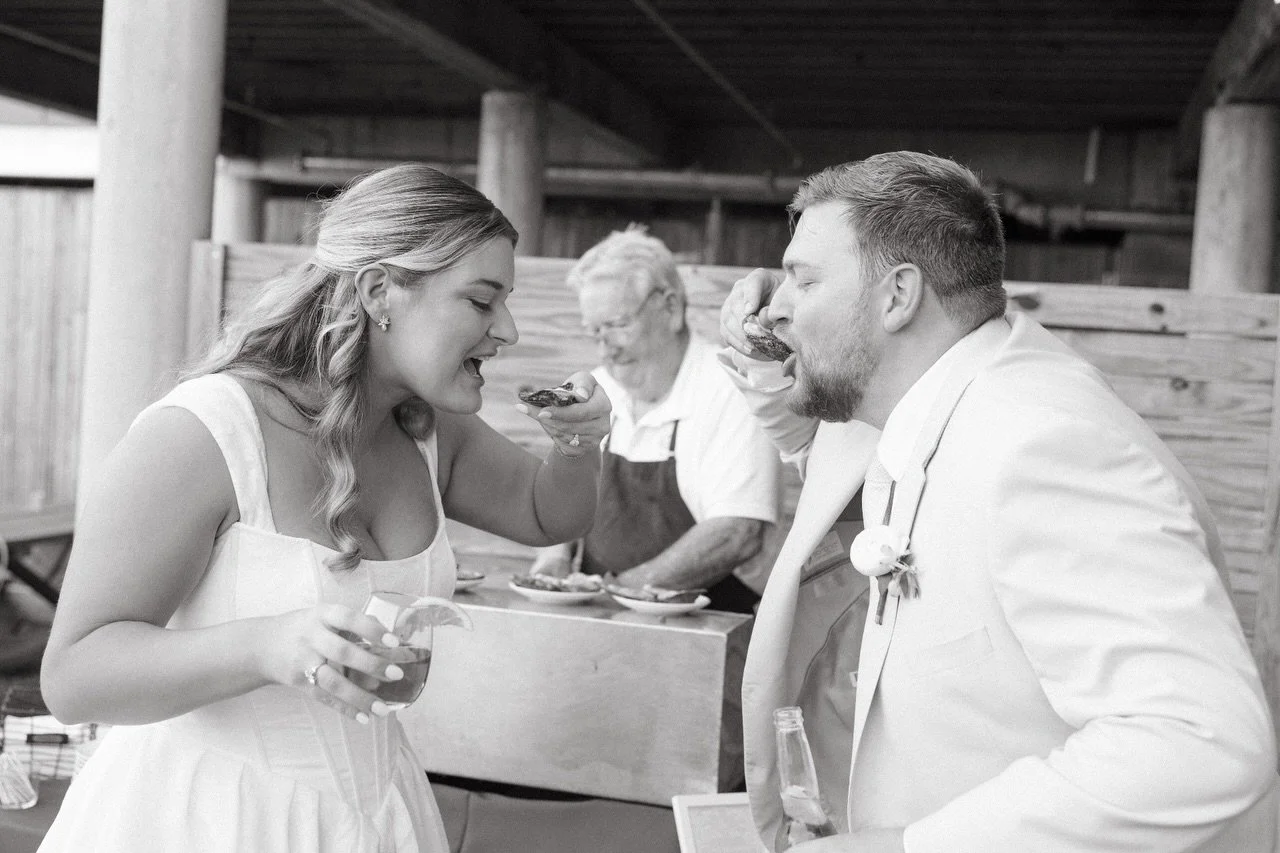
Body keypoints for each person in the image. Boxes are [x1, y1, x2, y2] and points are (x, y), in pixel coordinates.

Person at [36, 164, 610, 853]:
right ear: (380, 293)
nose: (508, 330)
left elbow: (550, 515)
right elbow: (74, 677)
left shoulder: (427, 428)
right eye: (482, 301)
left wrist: (579, 440)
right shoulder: (204, 432)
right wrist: (267, 644)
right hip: (208, 822)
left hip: (379, 819)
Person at [719, 151, 1278, 852]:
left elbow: (1201, 739)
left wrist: (906, 848)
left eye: (803, 279)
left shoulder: (1044, 447)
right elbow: (834, 455)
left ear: (896, 296)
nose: (775, 305)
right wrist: (786, 361)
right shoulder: (922, 400)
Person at [531, 225, 782, 614]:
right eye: (593, 331)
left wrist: (618, 593)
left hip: (711, 619)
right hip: (606, 612)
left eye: (617, 325)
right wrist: (553, 563)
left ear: (670, 307)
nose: (605, 347)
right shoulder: (598, 389)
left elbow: (737, 533)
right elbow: (563, 491)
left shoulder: (729, 388)